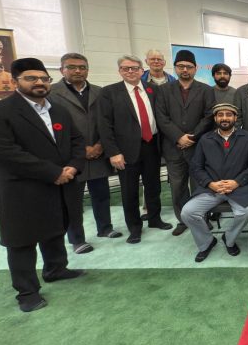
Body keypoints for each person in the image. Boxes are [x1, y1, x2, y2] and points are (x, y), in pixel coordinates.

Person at [0, 58, 86, 312]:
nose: (39, 82)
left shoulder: (58, 110)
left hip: (60, 183)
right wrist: (53, 172)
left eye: (43, 78)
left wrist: (73, 166)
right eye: (31, 78)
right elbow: (5, 153)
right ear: (15, 81)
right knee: (22, 241)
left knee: (55, 228)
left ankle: (56, 269)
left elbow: (76, 141)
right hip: (22, 189)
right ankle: (27, 292)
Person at [49, 53, 122, 253]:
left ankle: (105, 228)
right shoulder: (52, 93)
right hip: (71, 156)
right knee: (72, 201)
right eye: (72, 67)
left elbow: (108, 121)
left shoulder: (100, 92)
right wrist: (82, 150)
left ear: (87, 70)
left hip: (99, 152)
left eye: (82, 67)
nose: (78, 71)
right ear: (62, 70)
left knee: (101, 194)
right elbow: (51, 126)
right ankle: (77, 239)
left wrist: (100, 145)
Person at [98, 55, 172, 244]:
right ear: (120, 71)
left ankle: (154, 219)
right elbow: (104, 125)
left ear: (141, 70)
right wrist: (113, 152)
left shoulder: (153, 89)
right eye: (125, 68)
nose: (130, 71)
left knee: (154, 186)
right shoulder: (109, 92)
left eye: (134, 68)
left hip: (152, 145)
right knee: (129, 191)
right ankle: (134, 227)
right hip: (125, 150)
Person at [181, 103, 248, 262]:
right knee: (187, 212)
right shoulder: (205, 139)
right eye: (220, 115)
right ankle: (206, 242)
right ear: (215, 118)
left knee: (247, 212)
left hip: (239, 188)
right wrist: (210, 184)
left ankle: (229, 238)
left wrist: (237, 182)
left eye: (228, 115)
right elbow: (196, 167)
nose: (224, 118)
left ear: (235, 118)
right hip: (212, 189)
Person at [155, 50, 215, 236]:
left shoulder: (206, 90)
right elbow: (161, 117)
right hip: (173, 147)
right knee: (177, 186)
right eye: (181, 66)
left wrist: (192, 137)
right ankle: (183, 220)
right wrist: (178, 137)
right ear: (175, 68)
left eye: (189, 67)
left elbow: (209, 117)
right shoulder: (164, 90)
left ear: (195, 68)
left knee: (200, 185)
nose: (185, 70)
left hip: (198, 147)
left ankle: (201, 218)